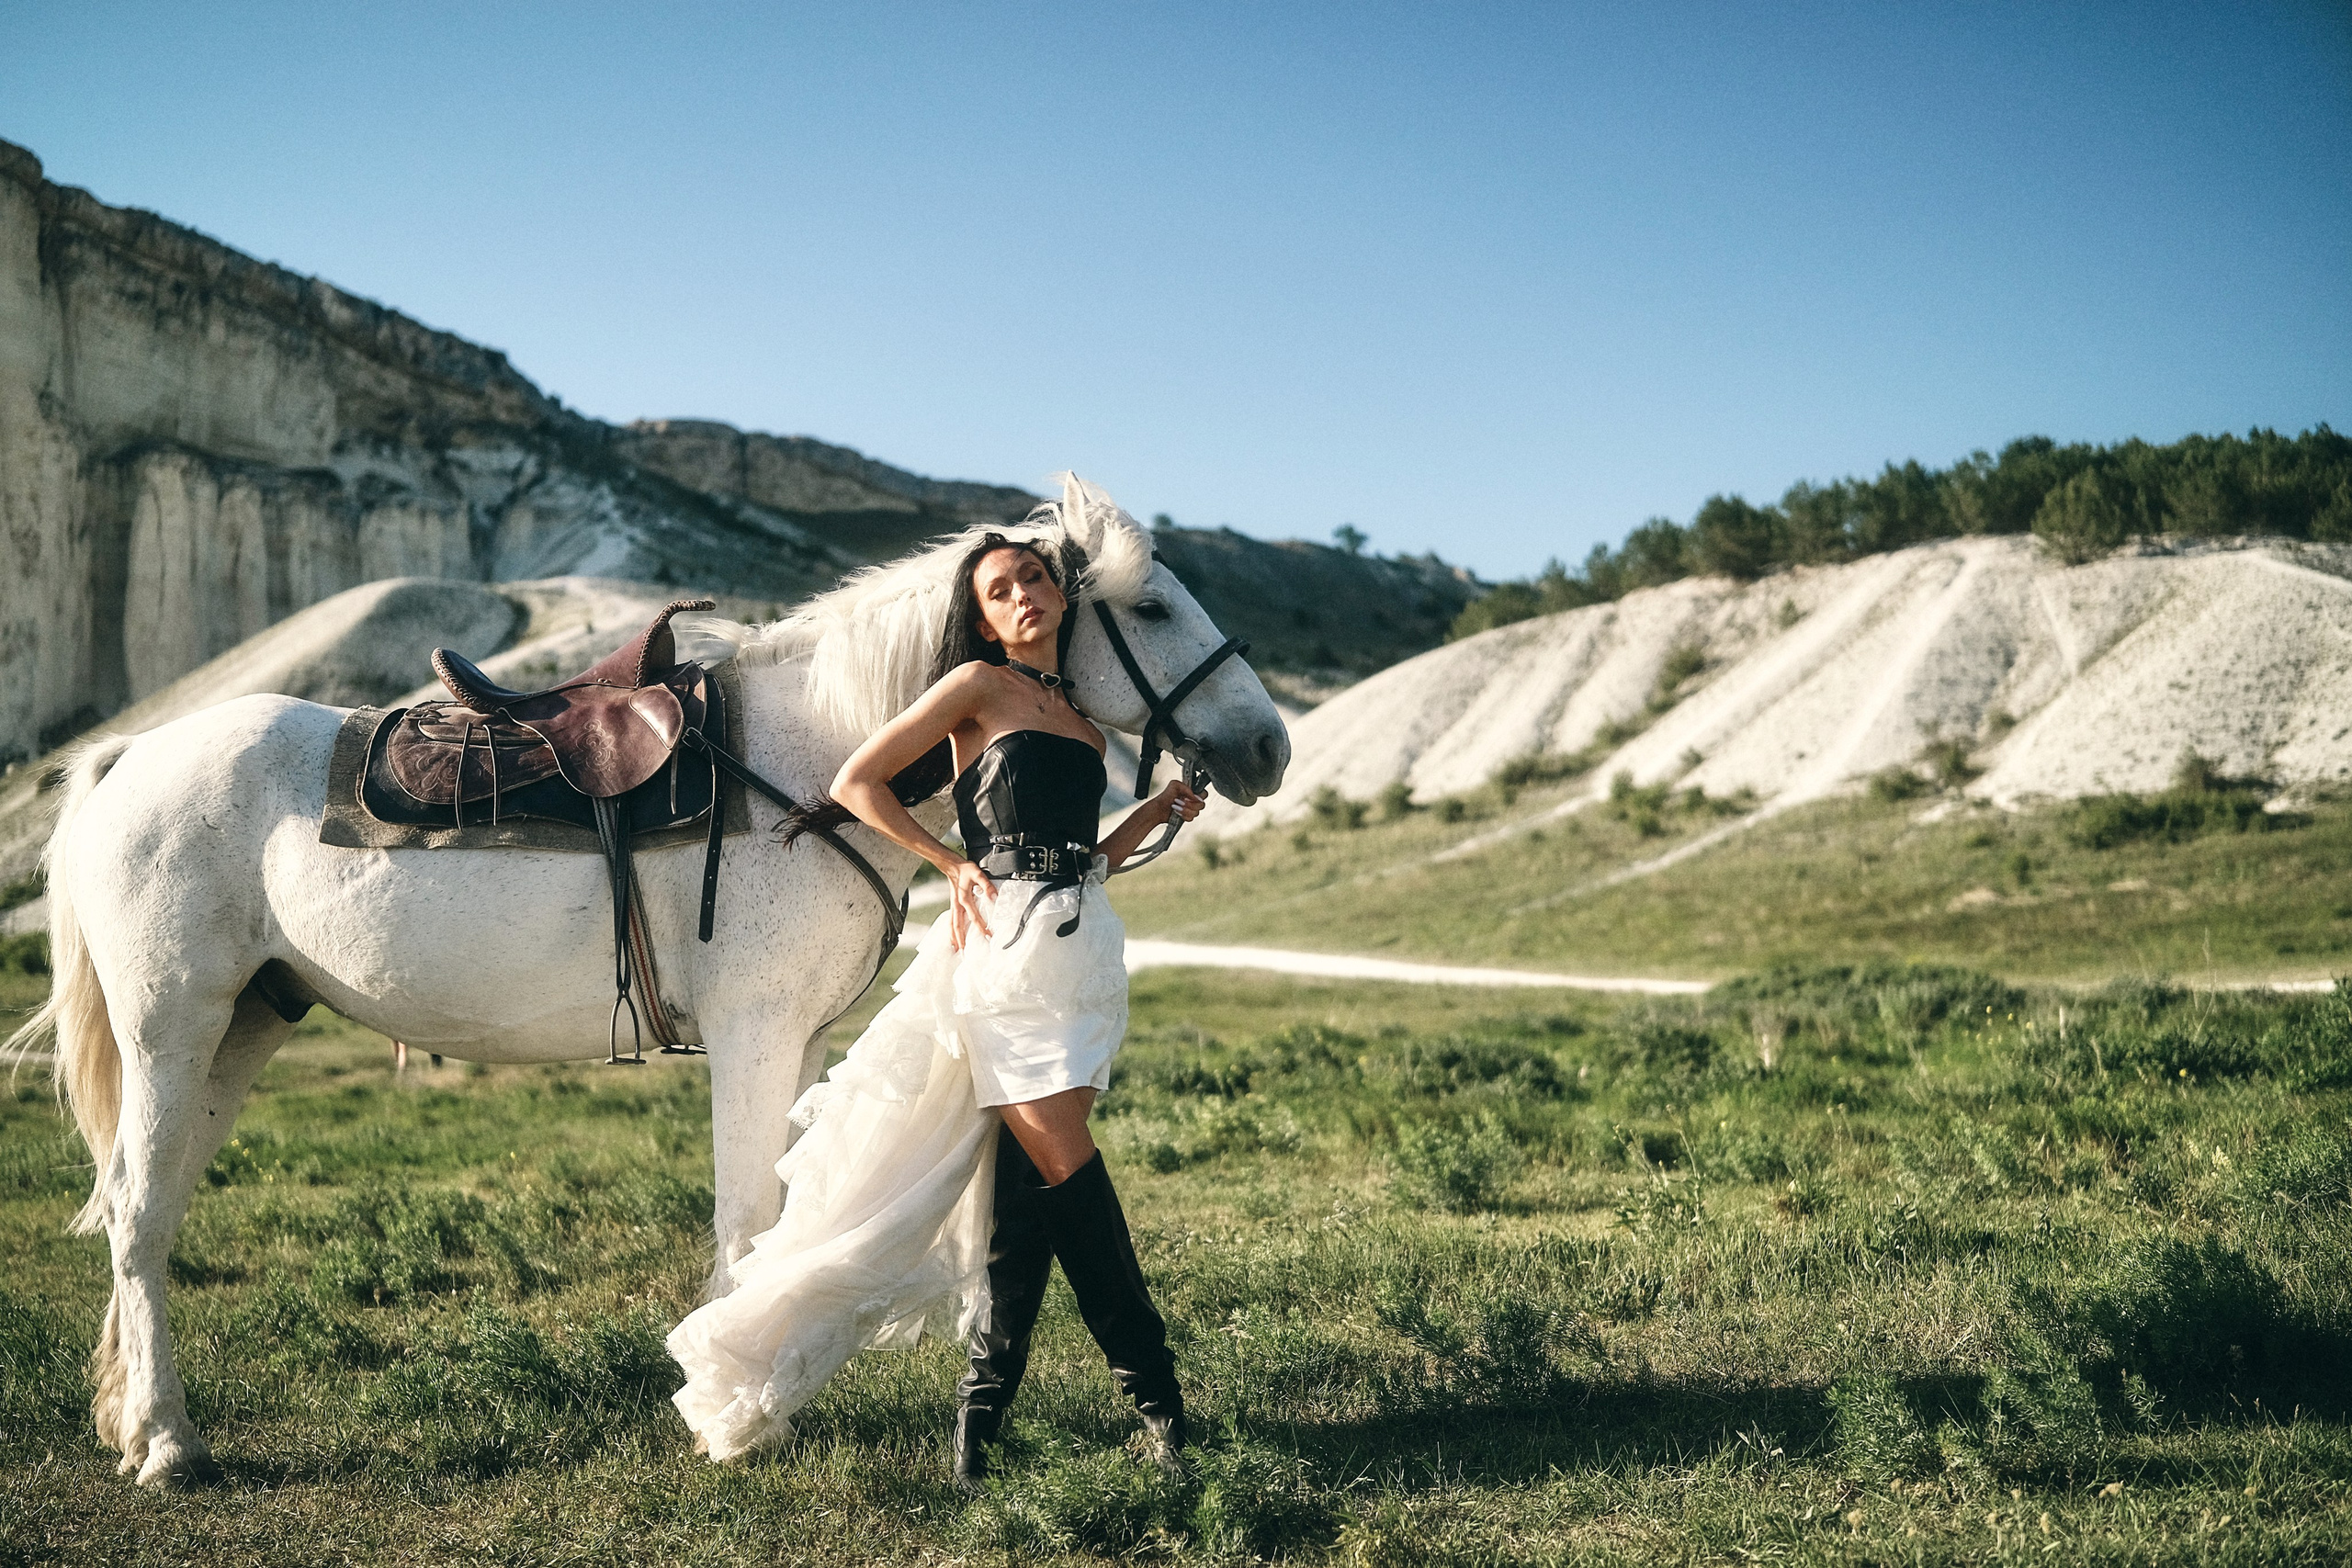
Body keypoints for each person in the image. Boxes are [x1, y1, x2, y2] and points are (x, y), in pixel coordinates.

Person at [665, 533, 1204, 1483]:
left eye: (1035, 579)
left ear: (1060, 596)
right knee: (1070, 1175)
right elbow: (855, 782)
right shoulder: (977, 688)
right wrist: (950, 862)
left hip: (1079, 950)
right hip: (998, 953)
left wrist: (1153, 815)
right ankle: (1159, 1401)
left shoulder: (1082, 722)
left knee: (1032, 1189)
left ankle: (978, 1434)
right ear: (985, 616)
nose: (1025, 596)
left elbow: (1082, 854)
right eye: (1002, 590)